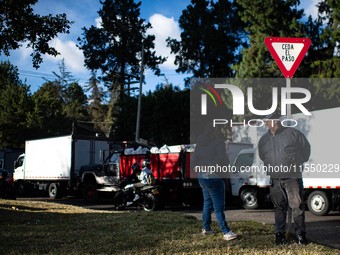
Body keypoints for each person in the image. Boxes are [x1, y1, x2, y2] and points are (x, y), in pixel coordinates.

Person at [258, 112, 311, 245]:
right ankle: (279, 235)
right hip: (275, 179)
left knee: (297, 207)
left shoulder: (293, 133)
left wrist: (297, 164)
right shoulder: (264, 140)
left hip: (292, 178)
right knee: (279, 208)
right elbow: (262, 156)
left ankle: (300, 235)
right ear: (266, 123)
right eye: (271, 119)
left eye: (276, 118)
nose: (275, 121)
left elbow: (306, 149)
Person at [190, 124, 237, 241]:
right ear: (215, 129)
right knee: (218, 207)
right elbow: (222, 159)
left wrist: (201, 168)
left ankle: (206, 229)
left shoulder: (199, 144)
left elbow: (193, 162)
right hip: (215, 176)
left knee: (207, 203)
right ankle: (226, 232)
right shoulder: (218, 142)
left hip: (202, 177)